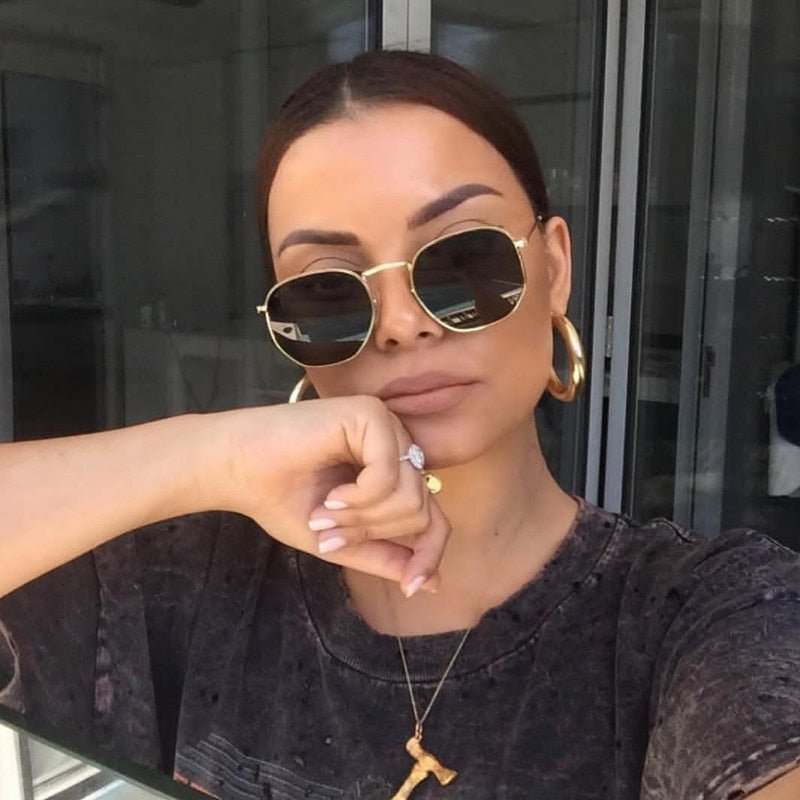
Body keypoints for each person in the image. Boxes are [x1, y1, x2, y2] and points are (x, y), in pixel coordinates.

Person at [1, 50, 799, 800]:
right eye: (327, 291)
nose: (401, 324)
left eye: (461, 259)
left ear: (553, 268)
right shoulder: (187, 573)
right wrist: (214, 455)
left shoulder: (702, 616)